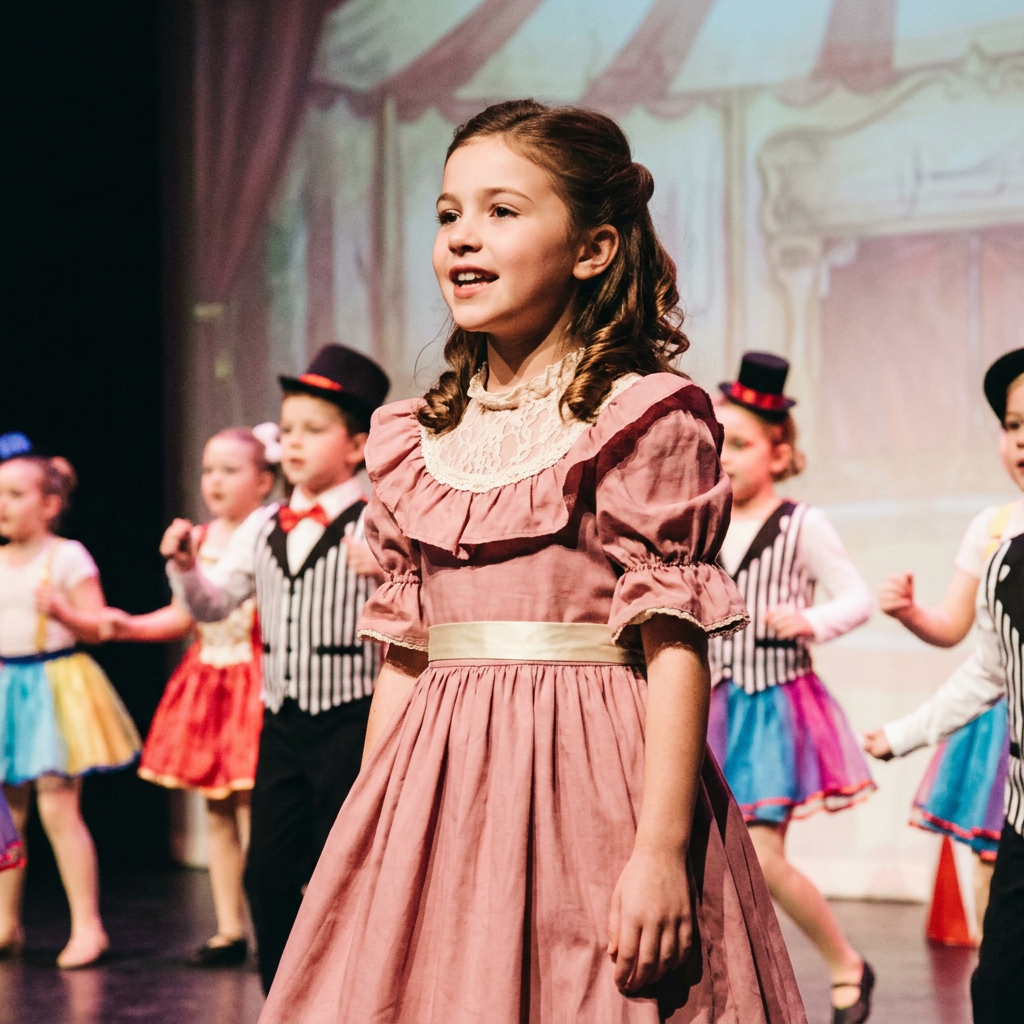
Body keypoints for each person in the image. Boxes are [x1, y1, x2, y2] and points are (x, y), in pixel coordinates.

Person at [260, 99, 805, 1024]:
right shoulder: (411, 439)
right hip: (437, 782)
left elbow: (674, 644)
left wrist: (659, 850)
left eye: (501, 212)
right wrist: (372, 829)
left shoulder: (644, 415)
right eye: (447, 215)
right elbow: (406, 651)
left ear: (592, 248)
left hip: (591, 774)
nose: (464, 239)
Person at [160, 343, 389, 993]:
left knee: (343, 867)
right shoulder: (262, 526)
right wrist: (183, 565)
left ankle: (351, 990)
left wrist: (389, 577)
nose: (293, 443)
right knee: (267, 871)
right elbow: (212, 604)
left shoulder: (376, 523)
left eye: (313, 431)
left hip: (353, 718)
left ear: (356, 446)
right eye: (287, 430)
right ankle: (284, 993)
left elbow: (420, 614)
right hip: (282, 722)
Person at [708, 352, 876, 1024]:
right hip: (714, 699)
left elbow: (856, 597)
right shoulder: (706, 517)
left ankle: (845, 962)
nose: (724, 458)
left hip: (773, 704)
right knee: (708, 856)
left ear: (779, 456)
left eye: (741, 446)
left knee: (764, 856)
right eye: (718, 442)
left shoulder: (803, 524)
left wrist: (808, 620)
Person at [864, 349, 1024, 1022]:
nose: (1023, 441)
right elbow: (988, 665)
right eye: (1014, 424)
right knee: (998, 991)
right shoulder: (1001, 543)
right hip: (1021, 809)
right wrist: (902, 734)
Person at [106, 425, 278, 965]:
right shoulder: (198, 542)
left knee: (258, 813)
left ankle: (270, 922)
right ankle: (229, 928)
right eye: (208, 470)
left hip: (254, 680)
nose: (215, 481)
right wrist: (128, 626)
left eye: (231, 470)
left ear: (264, 480)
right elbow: (187, 615)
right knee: (218, 811)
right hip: (209, 681)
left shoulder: (268, 535)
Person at [0, 452, 141, 967]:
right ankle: (5, 921)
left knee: (58, 808)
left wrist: (64, 612)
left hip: (54, 684)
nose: (3, 505)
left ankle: (88, 926)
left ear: (50, 503)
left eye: (16, 494)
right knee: (6, 814)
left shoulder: (66, 557)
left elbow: (101, 626)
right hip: (5, 685)